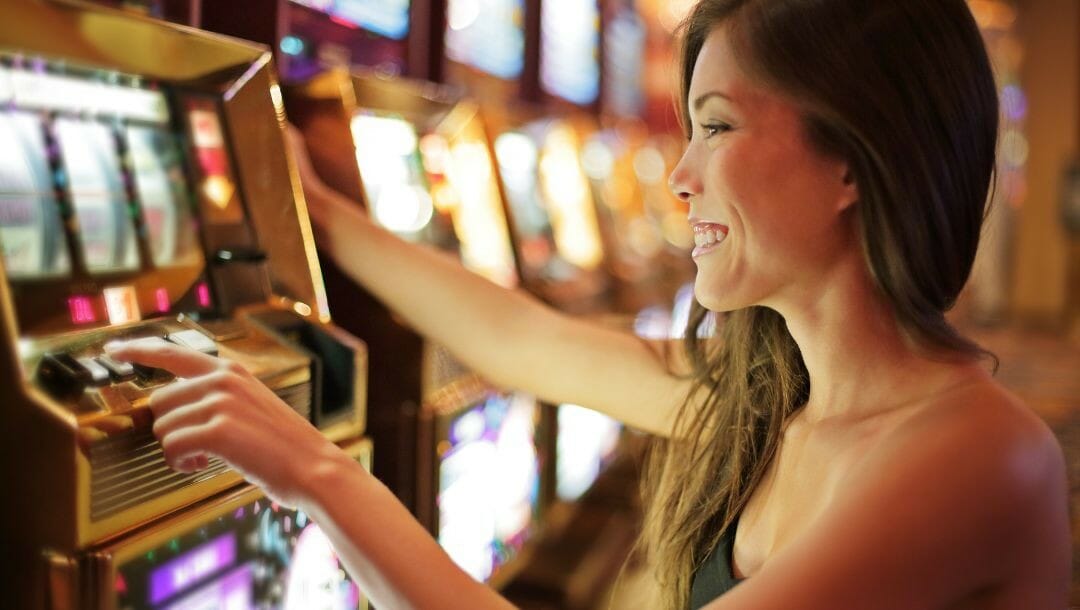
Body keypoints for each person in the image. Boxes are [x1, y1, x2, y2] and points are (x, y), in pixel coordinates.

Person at [105, 0, 1071, 608]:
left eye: (717, 128)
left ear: (852, 161)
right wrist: (307, 208)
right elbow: (521, 338)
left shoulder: (978, 456)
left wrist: (319, 473)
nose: (679, 176)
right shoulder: (783, 391)